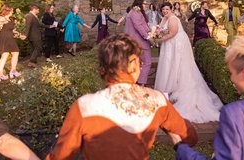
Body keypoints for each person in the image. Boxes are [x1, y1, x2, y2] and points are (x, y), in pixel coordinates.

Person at [46, 34, 198, 160]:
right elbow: (189, 136)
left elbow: (61, 156)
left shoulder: (84, 106)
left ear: (103, 68)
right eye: (139, 62)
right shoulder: (157, 100)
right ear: (133, 66)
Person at [154, 2, 223, 123]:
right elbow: (162, 30)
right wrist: (156, 34)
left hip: (177, 43)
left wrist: (158, 40)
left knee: (178, 65)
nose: (164, 11)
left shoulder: (173, 18)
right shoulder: (164, 19)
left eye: (166, 9)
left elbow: (172, 33)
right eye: (163, 9)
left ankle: (177, 88)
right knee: (170, 65)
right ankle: (169, 89)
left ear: (170, 9)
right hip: (170, 43)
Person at [125, 0, 152, 86]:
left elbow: (143, 26)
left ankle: (135, 82)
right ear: (139, 4)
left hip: (134, 43)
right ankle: (140, 83)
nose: (146, 6)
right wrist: (148, 37)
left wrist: (153, 32)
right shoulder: (135, 12)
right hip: (139, 43)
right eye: (145, 4)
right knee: (147, 62)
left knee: (135, 63)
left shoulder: (136, 12)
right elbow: (139, 26)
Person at [0, 5, 26, 81]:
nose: (12, 11)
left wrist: (20, 35)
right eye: (12, 10)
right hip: (4, 38)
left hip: (10, 38)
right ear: (7, 10)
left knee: (15, 53)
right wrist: (0, 25)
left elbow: (12, 31)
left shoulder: (11, 19)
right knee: (5, 55)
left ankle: (12, 71)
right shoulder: (1, 18)